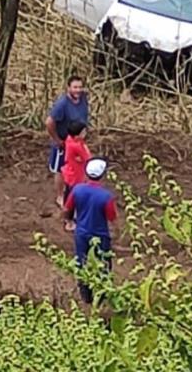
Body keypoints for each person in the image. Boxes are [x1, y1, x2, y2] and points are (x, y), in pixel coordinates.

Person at [63, 157, 117, 304]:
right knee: (103, 264)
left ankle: (85, 294)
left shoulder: (77, 190)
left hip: (81, 232)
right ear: (102, 175)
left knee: (81, 261)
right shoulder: (106, 196)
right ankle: (102, 295)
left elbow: (67, 208)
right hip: (100, 234)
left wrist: (69, 221)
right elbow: (111, 216)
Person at [45, 75, 90, 207]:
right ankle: (60, 196)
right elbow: (49, 122)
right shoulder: (62, 104)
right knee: (60, 169)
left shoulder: (83, 99)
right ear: (68, 88)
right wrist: (58, 140)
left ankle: (76, 192)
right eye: (75, 87)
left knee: (78, 166)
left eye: (80, 87)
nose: (78, 90)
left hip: (79, 139)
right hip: (64, 141)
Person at [61, 120, 91, 232]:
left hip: (70, 173)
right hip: (76, 177)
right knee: (73, 199)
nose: (85, 133)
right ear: (78, 134)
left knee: (68, 196)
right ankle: (69, 221)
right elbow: (87, 157)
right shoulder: (77, 146)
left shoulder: (70, 139)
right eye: (83, 132)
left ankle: (69, 218)